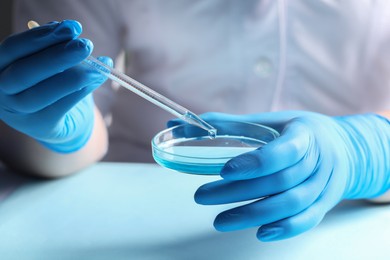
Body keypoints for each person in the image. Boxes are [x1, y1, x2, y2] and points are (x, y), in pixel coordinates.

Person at [0, 0, 389, 242]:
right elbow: (66, 127)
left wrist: (368, 149)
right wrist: (57, 131)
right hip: (130, 215)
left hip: (350, 221)